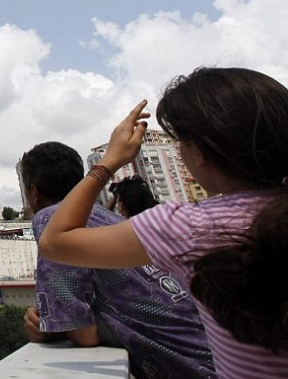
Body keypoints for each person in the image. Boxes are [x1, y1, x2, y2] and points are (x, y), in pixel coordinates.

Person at [39, 67, 288, 378]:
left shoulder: (192, 227)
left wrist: (109, 163)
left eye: (179, 141)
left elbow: (55, 241)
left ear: (198, 151)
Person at [20, 141, 215, 378]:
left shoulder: (50, 219)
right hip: (216, 354)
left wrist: (58, 325)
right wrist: (56, 321)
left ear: (33, 191)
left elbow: (84, 334)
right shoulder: (107, 217)